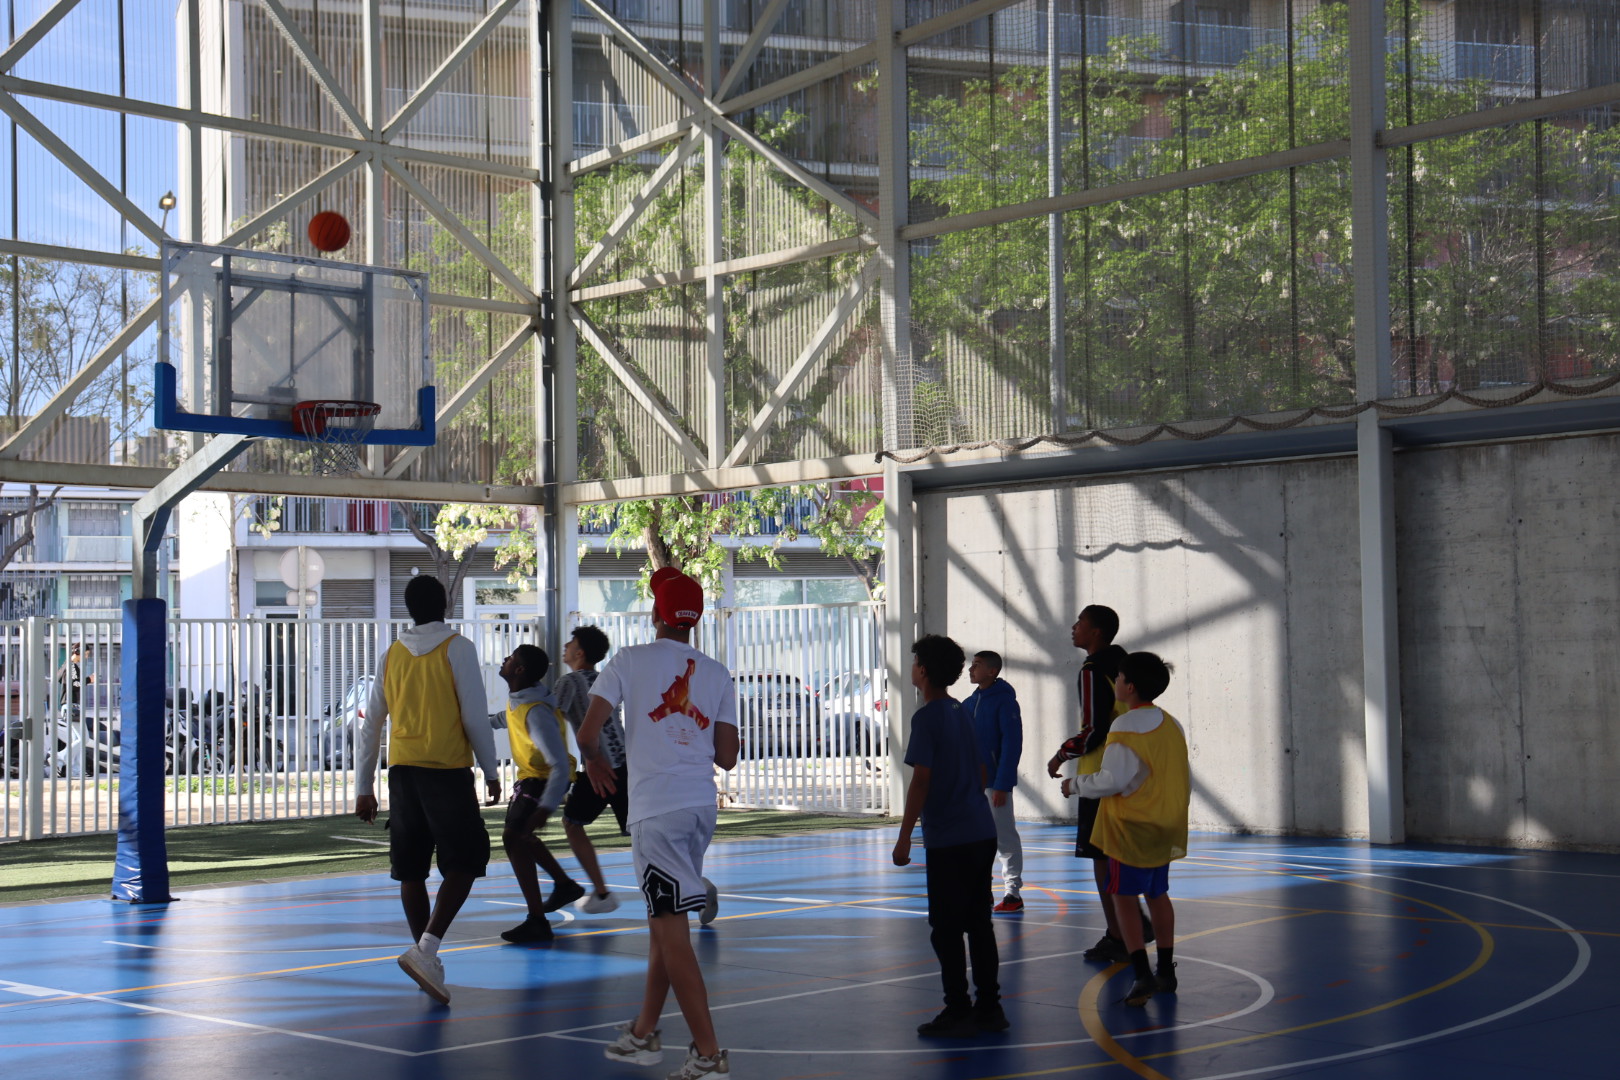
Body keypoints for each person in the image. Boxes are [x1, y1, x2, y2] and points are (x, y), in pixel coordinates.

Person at [580, 567, 738, 1080]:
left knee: (672, 935)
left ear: (656, 614)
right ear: (695, 620)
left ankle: (708, 1056)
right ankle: (644, 1032)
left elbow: (588, 731)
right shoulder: (716, 673)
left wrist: (594, 761)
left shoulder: (629, 660)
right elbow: (728, 756)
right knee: (661, 928)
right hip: (699, 811)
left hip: (657, 812)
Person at [354, 575, 500, 1005]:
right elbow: (473, 716)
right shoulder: (459, 648)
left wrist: (364, 786)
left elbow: (371, 724)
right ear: (446, 606)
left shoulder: (392, 655)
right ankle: (427, 950)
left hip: (403, 773)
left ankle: (425, 958)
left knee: (411, 868)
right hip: (446, 770)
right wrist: (491, 769)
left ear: (408, 609)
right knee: (467, 859)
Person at [893, 634, 1007, 1038]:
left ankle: (957, 1008)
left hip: (950, 838)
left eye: (914, 662)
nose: (911, 668)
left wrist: (904, 837)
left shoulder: (927, 718)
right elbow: (982, 770)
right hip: (980, 831)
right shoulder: (963, 711)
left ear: (923, 671)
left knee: (945, 928)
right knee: (978, 923)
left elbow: (921, 780)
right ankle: (990, 1008)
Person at [1063, 651, 1189, 1006]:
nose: (1115, 682)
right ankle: (1166, 971)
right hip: (1164, 824)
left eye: (1118, 677)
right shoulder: (1172, 724)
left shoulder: (1123, 726)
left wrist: (1075, 785)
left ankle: (1142, 973)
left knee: (1123, 897)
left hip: (1130, 827)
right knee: (1158, 894)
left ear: (1129, 687)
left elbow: (1112, 780)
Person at [1045, 604, 1152, 962]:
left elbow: (1093, 729)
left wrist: (1061, 755)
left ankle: (1119, 934)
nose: (1073, 627)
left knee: (1100, 856)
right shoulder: (1124, 663)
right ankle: (1134, 921)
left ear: (1096, 632)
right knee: (1120, 853)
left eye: (1080, 623)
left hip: (1102, 771)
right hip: (1134, 770)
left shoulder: (1093, 669)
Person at [496, 643, 578, 944]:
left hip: (544, 780)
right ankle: (563, 884)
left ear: (519, 670)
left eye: (510, 658)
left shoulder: (537, 713)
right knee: (521, 836)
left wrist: (546, 807)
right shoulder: (521, 699)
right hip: (533, 778)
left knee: (513, 837)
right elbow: (505, 718)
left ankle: (537, 920)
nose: (505, 659)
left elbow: (559, 764)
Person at [555, 624, 630, 914]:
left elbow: (547, 715)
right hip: (626, 764)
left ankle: (602, 893)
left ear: (580, 652)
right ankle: (693, 886)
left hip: (600, 767)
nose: (565, 647)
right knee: (642, 835)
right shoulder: (604, 679)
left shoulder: (569, 682)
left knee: (572, 824)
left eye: (570, 643)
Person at [962, 650, 1025, 913]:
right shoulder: (968, 703)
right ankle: (982, 890)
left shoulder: (1005, 702)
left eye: (977, 665)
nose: (971, 669)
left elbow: (1012, 745)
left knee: (1004, 837)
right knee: (976, 839)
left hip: (995, 784)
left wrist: (1002, 784)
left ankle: (1013, 893)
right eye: (971, 664)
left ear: (992, 671)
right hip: (972, 785)